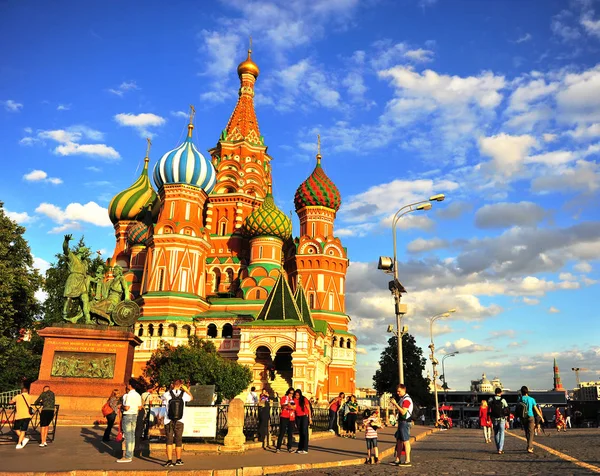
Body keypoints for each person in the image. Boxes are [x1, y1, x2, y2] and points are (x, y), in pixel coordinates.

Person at [162, 379, 193, 467]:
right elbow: (191, 398)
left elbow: (162, 398)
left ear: (172, 384)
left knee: (169, 440)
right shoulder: (184, 395)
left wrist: (170, 389)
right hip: (180, 420)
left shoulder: (167, 394)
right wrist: (186, 390)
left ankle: (169, 461)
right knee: (178, 440)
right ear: (181, 385)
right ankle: (178, 460)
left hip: (168, 420)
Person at [117, 379, 142, 463]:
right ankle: (130, 454)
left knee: (127, 436)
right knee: (132, 435)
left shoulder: (128, 395)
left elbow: (127, 407)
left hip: (128, 415)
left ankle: (127, 456)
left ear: (130, 385)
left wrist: (121, 406)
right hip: (134, 415)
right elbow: (140, 407)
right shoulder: (138, 395)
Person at [389, 384, 413, 466]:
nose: (397, 393)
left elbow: (403, 412)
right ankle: (397, 459)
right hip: (401, 421)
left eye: (399, 391)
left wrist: (395, 404)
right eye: (397, 391)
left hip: (405, 422)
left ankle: (407, 460)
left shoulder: (406, 400)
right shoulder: (402, 399)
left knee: (405, 441)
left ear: (404, 390)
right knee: (399, 441)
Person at [519, 385, 544, 454]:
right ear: (527, 391)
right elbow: (536, 409)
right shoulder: (531, 399)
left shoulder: (520, 399)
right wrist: (541, 417)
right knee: (531, 432)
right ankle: (530, 447)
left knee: (526, 431)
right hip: (530, 416)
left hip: (523, 417)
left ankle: (529, 445)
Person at [488, 388, 509, 454]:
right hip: (502, 418)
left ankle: (498, 448)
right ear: (500, 393)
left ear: (495, 392)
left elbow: (489, 408)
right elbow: (507, 409)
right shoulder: (503, 400)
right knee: (502, 433)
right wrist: (507, 419)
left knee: (496, 433)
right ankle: (500, 449)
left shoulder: (491, 400)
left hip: (494, 418)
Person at [275, 388, 296, 453]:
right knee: (282, 432)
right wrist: (289, 406)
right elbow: (283, 406)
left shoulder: (294, 399)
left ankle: (289, 447)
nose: (291, 394)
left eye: (292, 393)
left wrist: (289, 406)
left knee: (290, 433)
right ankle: (278, 448)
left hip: (291, 417)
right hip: (284, 416)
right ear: (288, 393)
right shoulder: (284, 398)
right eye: (290, 393)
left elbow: (294, 407)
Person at [293, 389, 311, 454]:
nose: (296, 396)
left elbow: (308, 409)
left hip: (304, 416)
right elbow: (294, 409)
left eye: (298, 395)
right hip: (298, 416)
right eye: (295, 395)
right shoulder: (294, 400)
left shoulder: (304, 399)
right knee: (300, 432)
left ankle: (305, 448)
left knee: (304, 432)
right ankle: (300, 448)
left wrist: (310, 418)